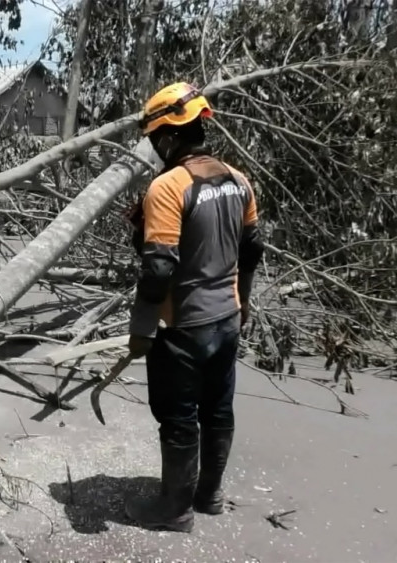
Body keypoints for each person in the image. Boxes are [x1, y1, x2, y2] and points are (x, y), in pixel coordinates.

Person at [123, 82, 265, 533]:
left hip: (182, 326)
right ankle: (209, 496)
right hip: (226, 319)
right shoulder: (238, 180)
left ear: (168, 136)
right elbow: (253, 248)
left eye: (154, 139)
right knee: (218, 408)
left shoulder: (168, 187)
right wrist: (243, 300)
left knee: (178, 415)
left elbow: (158, 269)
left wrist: (141, 329)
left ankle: (175, 510)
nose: (154, 147)